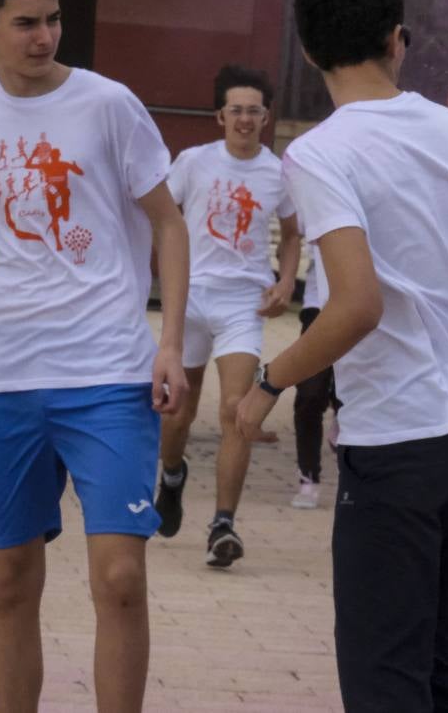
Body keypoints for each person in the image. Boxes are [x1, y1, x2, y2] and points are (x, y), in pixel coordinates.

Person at [233, 0, 448, 713]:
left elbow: (355, 303)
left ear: (307, 49)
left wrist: (269, 382)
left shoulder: (321, 152)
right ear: (398, 38)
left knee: (384, 678)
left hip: (400, 439)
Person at [0, 0, 189, 712]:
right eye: (25, 23)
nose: (44, 37)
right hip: (3, 371)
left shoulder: (109, 104)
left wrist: (168, 341)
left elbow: (168, 225)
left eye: (54, 20)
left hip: (108, 368)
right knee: (8, 583)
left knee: (120, 578)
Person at [153, 65, 301, 566]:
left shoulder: (279, 173)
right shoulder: (193, 163)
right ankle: (171, 475)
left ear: (266, 116)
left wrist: (285, 281)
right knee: (178, 413)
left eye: (253, 111)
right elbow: (162, 216)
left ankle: (223, 524)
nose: (244, 119)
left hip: (243, 303)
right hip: (189, 297)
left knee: (237, 410)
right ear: (220, 115)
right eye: (235, 110)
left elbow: (293, 232)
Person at [290, 211, 342, 509]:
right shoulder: (312, 182)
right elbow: (289, 232)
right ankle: (308, 476)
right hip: (317, 306)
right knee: (309, 393)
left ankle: (341, 415)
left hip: (365, 302)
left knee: (352, 391)